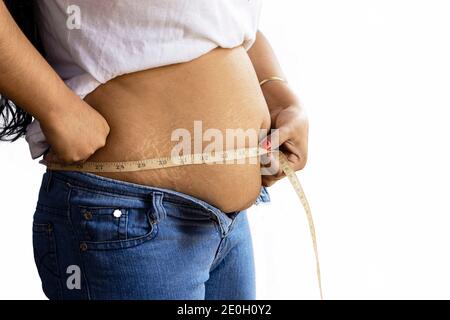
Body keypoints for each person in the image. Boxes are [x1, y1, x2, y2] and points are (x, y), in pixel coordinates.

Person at [0, 0, 309, 300]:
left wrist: (275, 92)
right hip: (127, 219)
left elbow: (216, 18)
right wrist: (56, 108)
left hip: (229, 227)